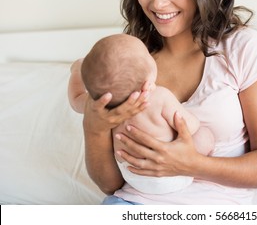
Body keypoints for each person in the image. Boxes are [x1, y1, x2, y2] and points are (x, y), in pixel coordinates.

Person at [76, 0, 257, 205]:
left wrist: (192, 164)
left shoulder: (243, 49)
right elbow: (111, 185)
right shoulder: (128, 64)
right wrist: (94, 128)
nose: (157, 2)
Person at [68, 33, 214, 194]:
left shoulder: (102, 107)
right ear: (148, 79)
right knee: (203, 135)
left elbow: (76, 99)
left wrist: (76, 69)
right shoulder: (160, 96)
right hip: (175, 175)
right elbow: (191, 126)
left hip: (134, 178)